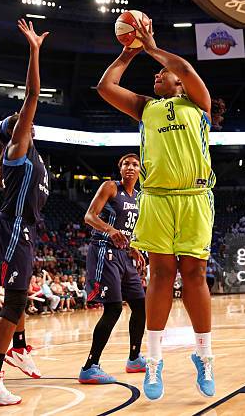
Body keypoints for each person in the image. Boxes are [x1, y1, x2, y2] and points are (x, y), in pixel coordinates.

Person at [97, 20, 219, 400]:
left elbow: (185, 68)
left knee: (194, 274)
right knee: (162, 274)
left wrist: (152, 47)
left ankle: (205, 357)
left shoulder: (198, 103)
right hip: (157, 198)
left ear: (177, 84)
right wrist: (126, 53)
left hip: (195, 197)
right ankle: (153, 360)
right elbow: (105, 87)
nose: (157, 75)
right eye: (155, 72)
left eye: (161, 73)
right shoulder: (146, 107)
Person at [0, 19, 50, 406]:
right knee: (15, 302)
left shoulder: (35, 157)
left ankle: (18, 346)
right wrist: (34, 51)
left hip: (26, 231)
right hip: (15, 228)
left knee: (17, 298)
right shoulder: (17, 152)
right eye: (19, 123)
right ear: (14, 133)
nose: (26, 123)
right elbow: (33, 94)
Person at [79, 154, 147, 384]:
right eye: (126, 164)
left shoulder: (139, 197)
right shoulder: (110, 187)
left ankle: (135, 358)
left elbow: (126, 231)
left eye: (135, 164)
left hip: (123, 255)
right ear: (120, 169)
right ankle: (90, 367)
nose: (130, 167)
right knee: (114, 309)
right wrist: (109, 230)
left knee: (140, 304)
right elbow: (89, 216)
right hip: (103, 250)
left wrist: (133, 249)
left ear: (140, 170)